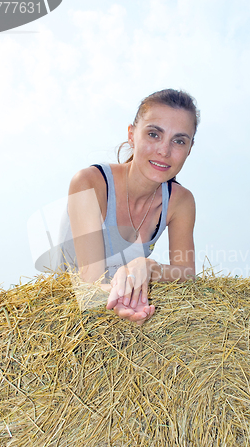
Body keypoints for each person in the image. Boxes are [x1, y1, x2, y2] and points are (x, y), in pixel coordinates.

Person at [58, 89, 200, 325]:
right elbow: (90, 288)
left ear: (189, 148)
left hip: (122, 298)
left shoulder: (181, 201)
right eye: (154, 134)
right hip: (69, 304)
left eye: (178, 141)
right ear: (132, 135)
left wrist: (149, 267)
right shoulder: (89, 183)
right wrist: (128, 297)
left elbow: (186, 273)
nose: (164, 151)